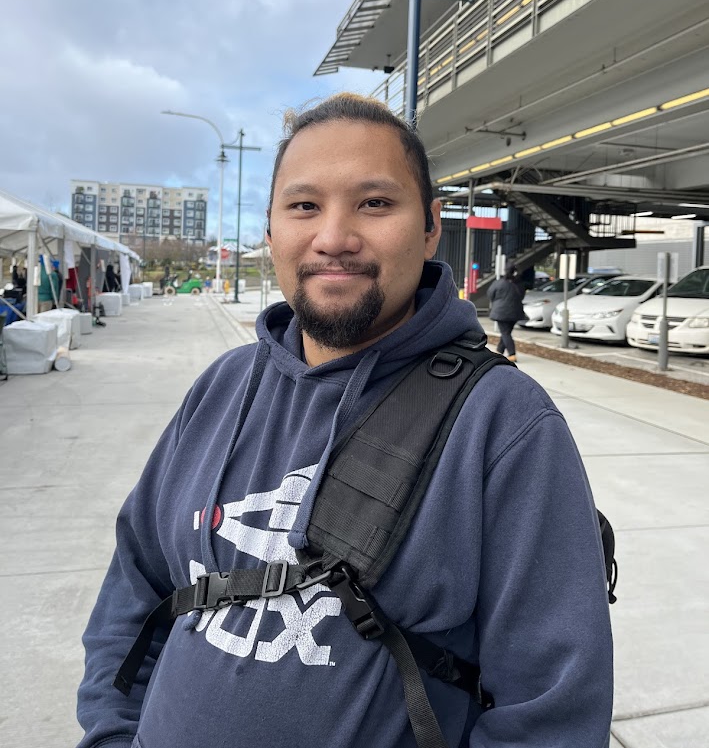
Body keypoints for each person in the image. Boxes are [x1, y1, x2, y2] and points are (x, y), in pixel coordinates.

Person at [76, 94, 613, 748]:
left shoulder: (503, 422)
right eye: (304, 206)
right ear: (270, 230)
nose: (333, 236)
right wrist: (110, 733)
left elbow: (549, 712)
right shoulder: (219, 386)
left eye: (374, 202)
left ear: (428, 227)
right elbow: (136, 586)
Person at [487, 264, 526, 362]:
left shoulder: (499, 283)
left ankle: (512, 354)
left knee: (505, 333)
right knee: (506, 332)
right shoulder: (519, 284)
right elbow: (522, 296)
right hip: (516, 312)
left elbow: (490, 294)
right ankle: (499, 351)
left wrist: (497, 303)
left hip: (501, 312)